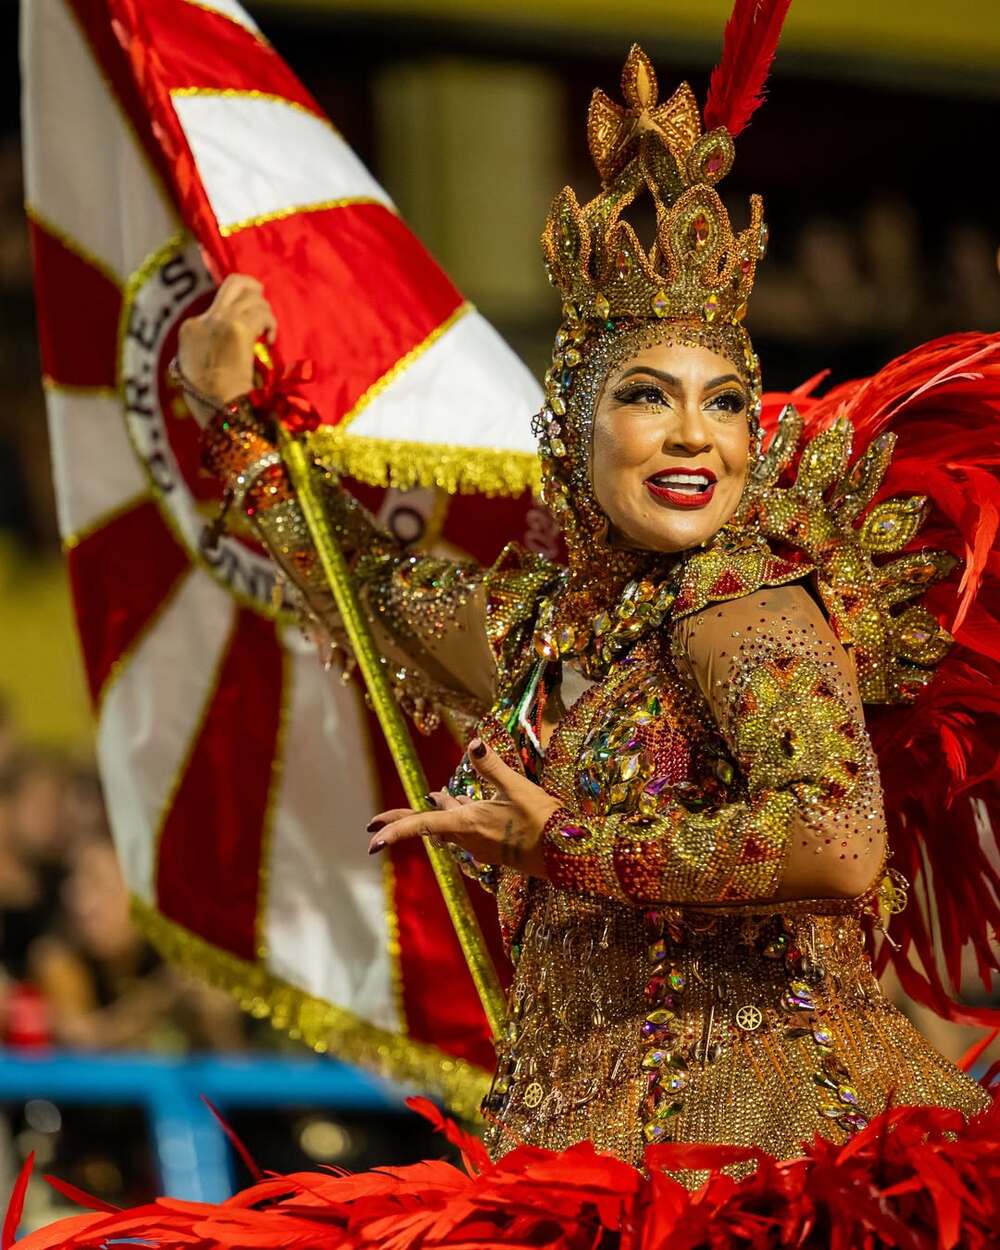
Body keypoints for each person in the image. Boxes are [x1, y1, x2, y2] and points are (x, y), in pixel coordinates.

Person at [168, 40, 994, 1175]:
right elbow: (381, 603)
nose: (695, 435)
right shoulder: (552, 626)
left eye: (726, 403)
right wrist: (241, 433)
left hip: (761, 1175)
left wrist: (558, 842)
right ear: (571, 428)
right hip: (582, 1171)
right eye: (648, 396)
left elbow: (837, 842)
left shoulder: (742, 604)